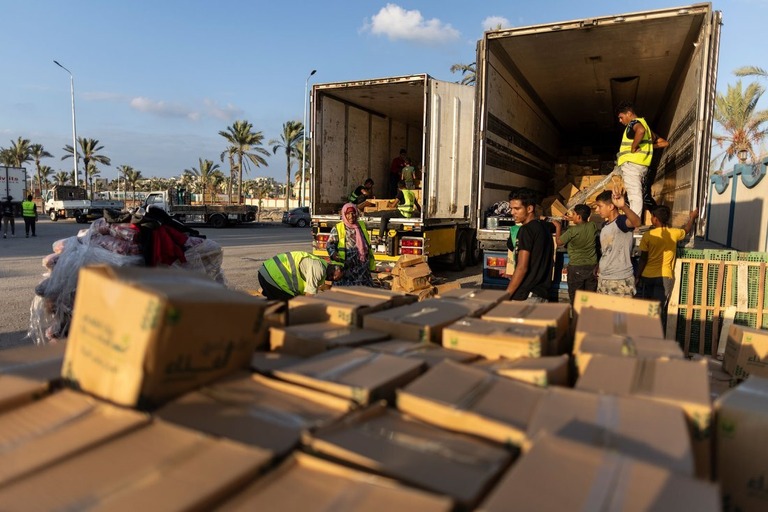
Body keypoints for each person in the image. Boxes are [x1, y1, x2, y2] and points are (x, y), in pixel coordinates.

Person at [637, 205, 698, 332]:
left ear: (655, 219)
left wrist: (638, 276)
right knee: (660, 310)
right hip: (665, 277)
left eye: (653, 217)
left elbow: (643, 259)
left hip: (648, 276)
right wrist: (692, 217)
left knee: (647, 308)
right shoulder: (674, 233)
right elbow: (686, 229)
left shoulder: (648, 236)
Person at [616, 101, 668, 220]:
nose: (620, 121)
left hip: (631, 165)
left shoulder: (634, 123)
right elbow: (665, 143)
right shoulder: (648, 129)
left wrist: (634, 147)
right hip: (641, 166)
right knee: (636, 194)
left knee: (634, 195)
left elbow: (640, 131)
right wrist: (647, 146)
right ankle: (635, 221)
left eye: (621, 117)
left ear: (629, 113)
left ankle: (634, 224)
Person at [593, 184, 642, 297]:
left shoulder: (621, 222)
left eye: (599, 206)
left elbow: (637, 223)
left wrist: (623, 206)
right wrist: (599, 266)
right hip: (604, 279)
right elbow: (607, 251)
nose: (597, 210)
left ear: (611, 207)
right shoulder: (605, 225)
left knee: (620, 314)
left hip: (620, 280)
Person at [505, 188, 554, 302]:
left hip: (527, 295)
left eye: (517, 208)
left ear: (530, 208)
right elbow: (555, 225)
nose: (512, 212)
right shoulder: (544, 227)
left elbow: (522, 268)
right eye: (511, 208)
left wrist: (506, 295)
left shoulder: (525, 230)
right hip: (542, 295)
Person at [551, 203, 599, 305]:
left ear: (578, 216)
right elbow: (583, 224)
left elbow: (559, 242)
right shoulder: (592, 226)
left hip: (576, 268)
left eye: (573, 214)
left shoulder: (572, 231)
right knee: (590, 300)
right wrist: (572, 219)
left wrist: (558, 227)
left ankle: (576, 319)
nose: (572, 216)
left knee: (576, 300)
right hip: (592, 268)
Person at [258, 250, 343, 300]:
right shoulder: (319, 269)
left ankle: (265, 292)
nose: (331, 278)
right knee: (291, 308)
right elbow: (309, 296)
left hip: (266, 273)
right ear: (333, 266)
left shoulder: (319, 263)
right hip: (272, 276)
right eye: (333, 274)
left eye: (333, 279)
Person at [326, 203, 375, 286]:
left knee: (363, 293)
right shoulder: (338, 228)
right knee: (345, 294)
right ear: (344, 215)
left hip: (362, 268)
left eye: (353, 213)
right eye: (348, 214)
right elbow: (330, 245)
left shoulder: (361, 226)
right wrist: (333, 253)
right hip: (346, 268)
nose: (351, 216)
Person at [370, 180, 421, 253]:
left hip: (401, 213)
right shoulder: (411, 193)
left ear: (398, 187)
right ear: (405, 185)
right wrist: (421, 214)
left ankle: (380, 237)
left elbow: (393, 205)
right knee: (386, 213)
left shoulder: (401, 193)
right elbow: (418, 206)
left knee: (384, 216)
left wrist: (388, 204)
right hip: (408, 214)